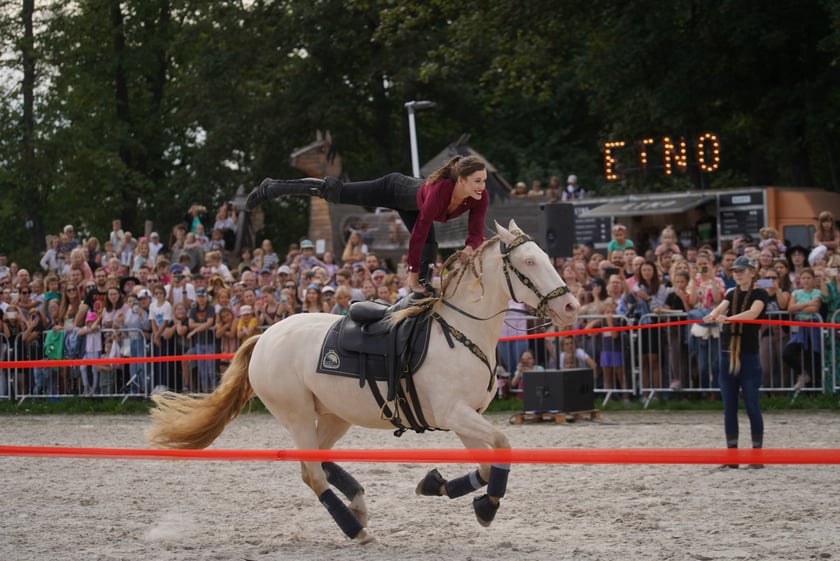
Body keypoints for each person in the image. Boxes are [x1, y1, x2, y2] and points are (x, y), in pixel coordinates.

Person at [246, 155, 489, 293]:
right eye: (477, 181)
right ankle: (272, 187)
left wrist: (470, 248)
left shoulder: (479, 196)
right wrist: (412, 277)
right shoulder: (440, 191)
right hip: (392, 189)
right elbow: (418, 234)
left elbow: (476, 231)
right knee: (334, 192)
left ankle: (422, 293)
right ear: (461, 180)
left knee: (430, 245)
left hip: (412, 204)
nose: (482, 186)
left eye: (484, 181)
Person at [703, 256, 768, 469]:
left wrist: (728, 319)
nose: (738, 274)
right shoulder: (731, 293)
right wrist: (711, 315)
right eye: (735, 271)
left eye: (742, 270)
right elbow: (719, 308)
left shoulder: (760, 293)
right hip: (727, 354)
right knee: (729, 406)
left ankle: (756, 456)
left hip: (748, 356)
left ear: (752, 272)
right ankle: (732, 457)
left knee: (751, 405)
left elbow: (754, 313)